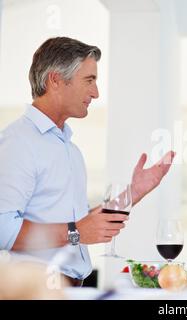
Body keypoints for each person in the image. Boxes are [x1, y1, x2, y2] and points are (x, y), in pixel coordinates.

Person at [0, 37, 175, 287]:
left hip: (70, 287)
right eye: (89, 80)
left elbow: (81, 221)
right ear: (56, 80)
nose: (95, 92)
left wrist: (134, 192)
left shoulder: (69, 149)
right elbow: (3, 230)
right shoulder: (18, 142)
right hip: (35, 289)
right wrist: (76, 232)